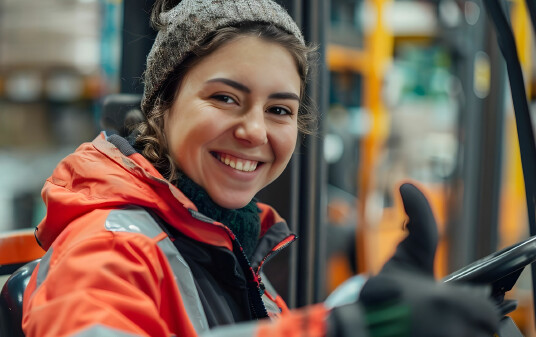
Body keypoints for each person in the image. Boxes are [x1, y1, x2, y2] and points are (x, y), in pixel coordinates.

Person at [22, 0, 500, 336]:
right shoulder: (109, 248)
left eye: (279, 110)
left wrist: (365, 301)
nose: (255, 131)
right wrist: (339, 331)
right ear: (161, 106)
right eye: (225, 98)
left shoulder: (223, 237)